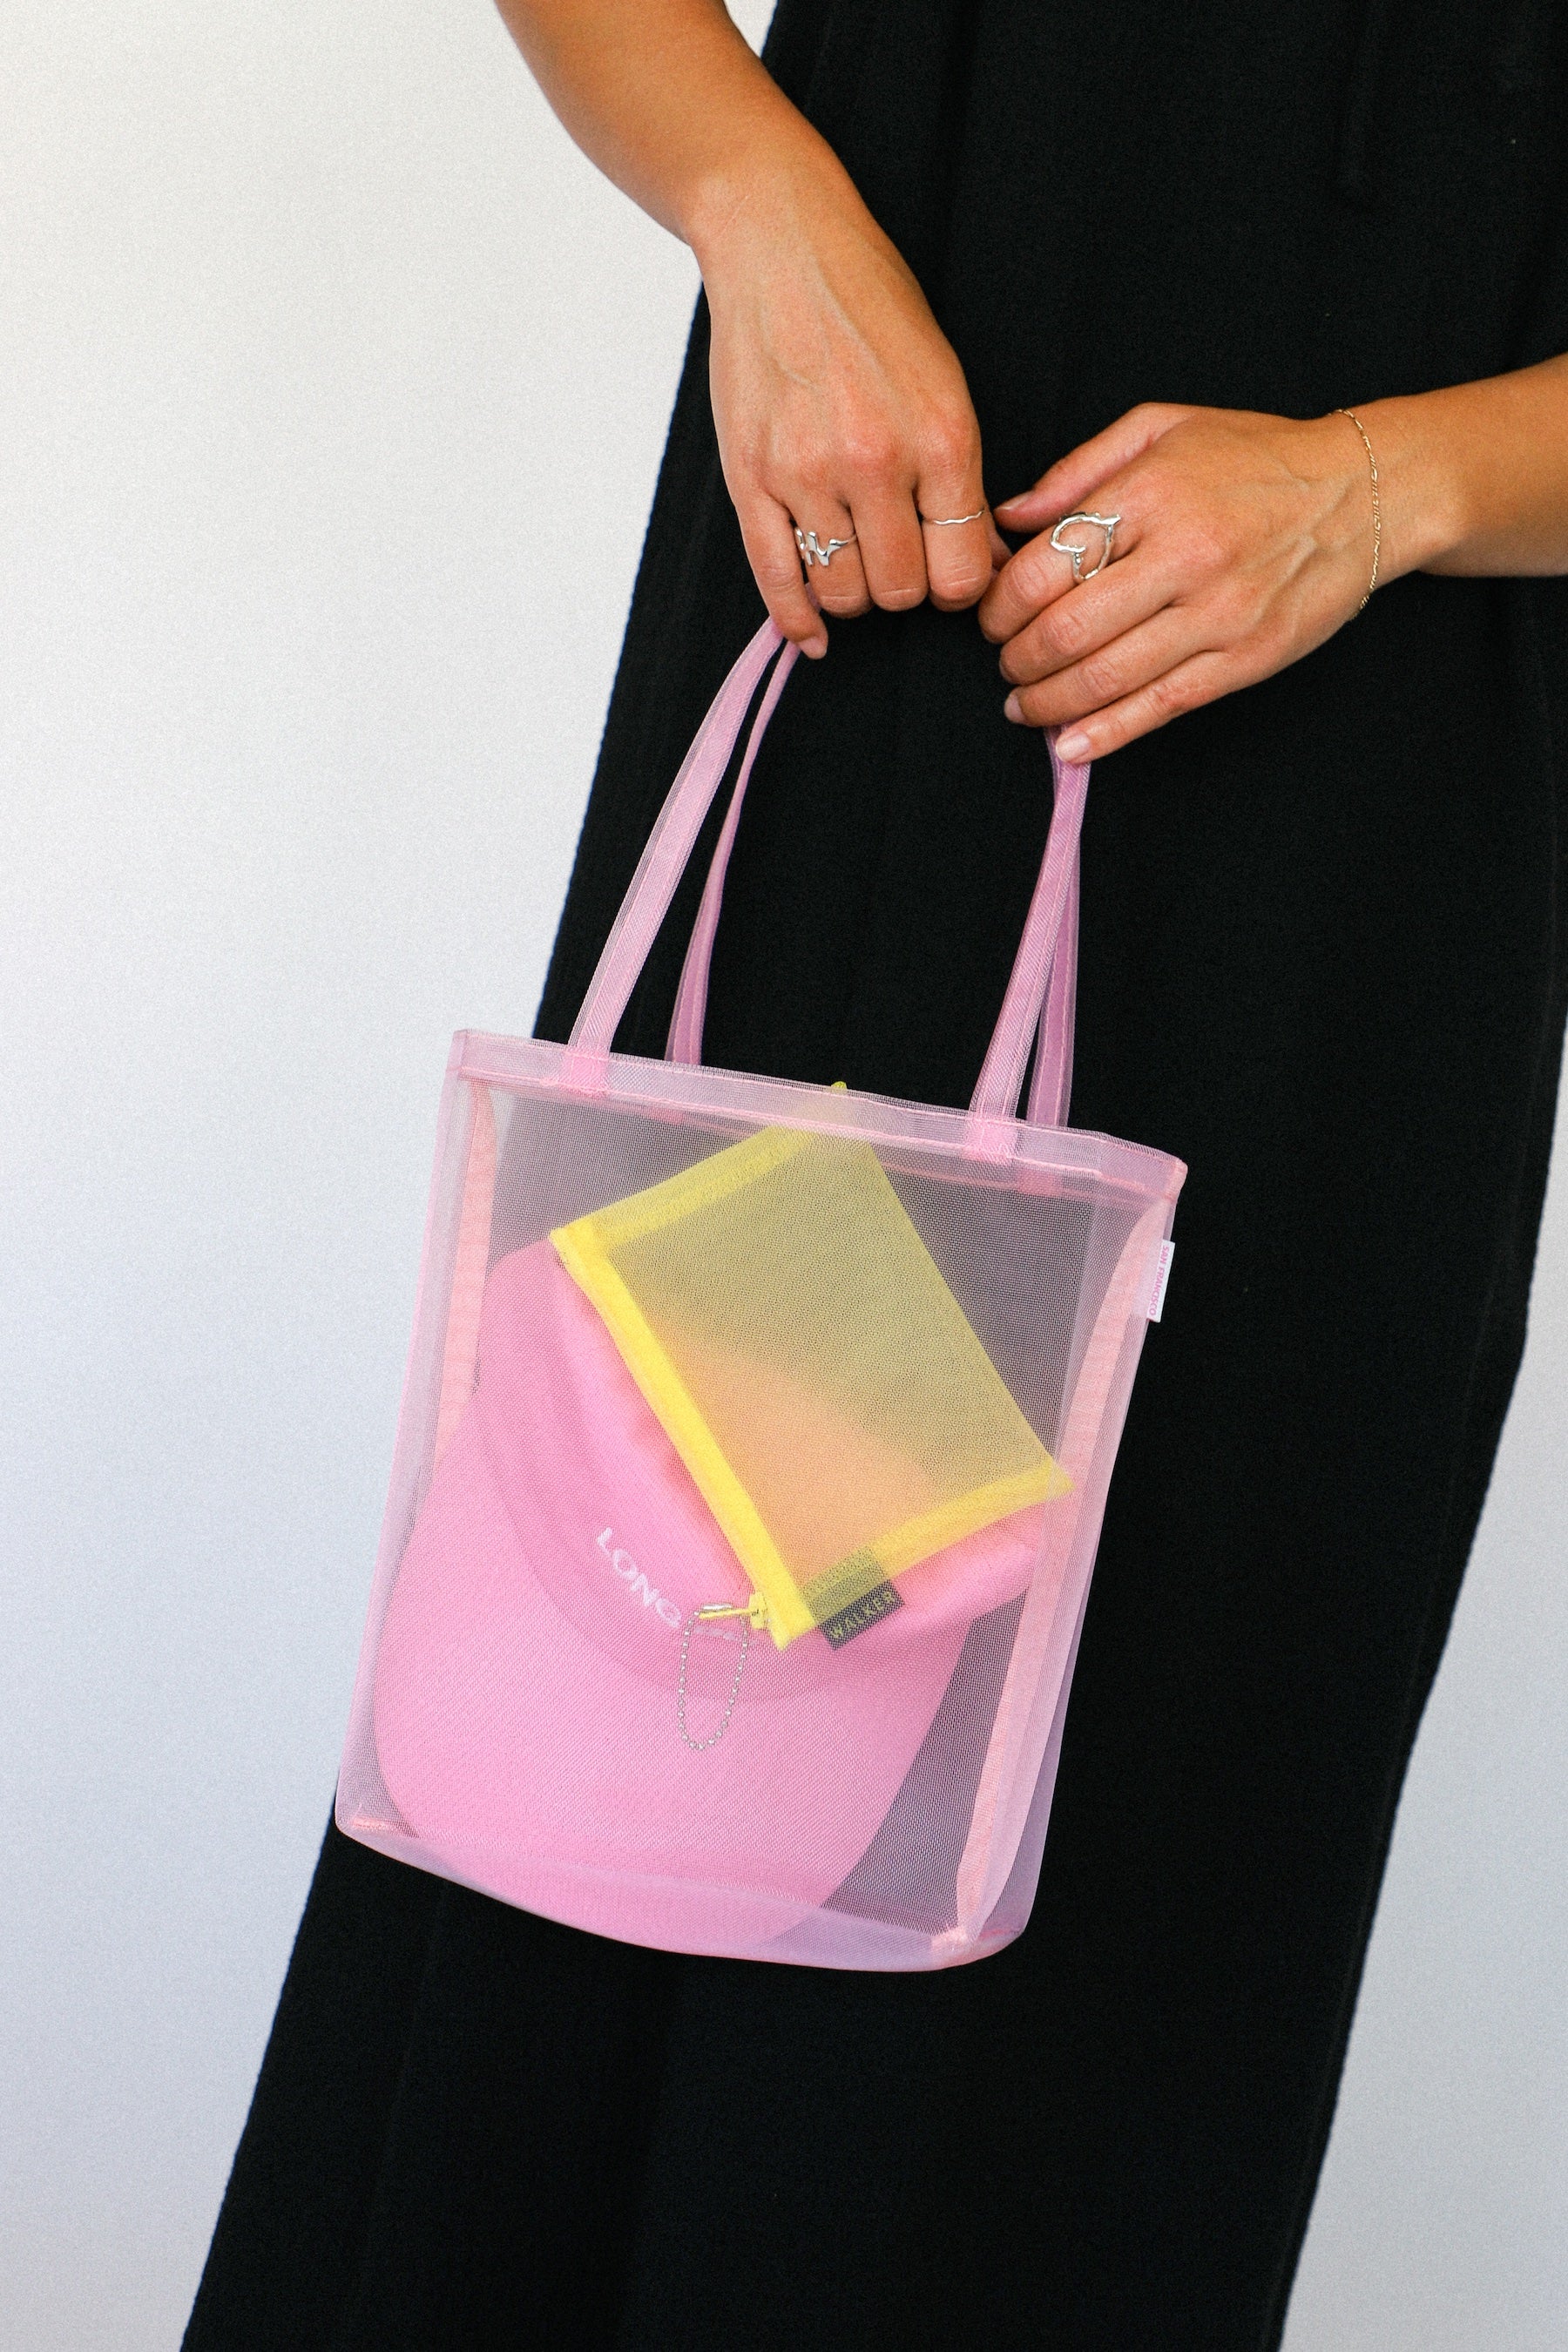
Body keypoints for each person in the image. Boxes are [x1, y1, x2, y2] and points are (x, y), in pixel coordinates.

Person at [186, 5, 1568, 2346]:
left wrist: (1385, 486)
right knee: (646, 1686)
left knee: (1134, 1806)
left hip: (1370, 797)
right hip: (881, 562)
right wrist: (760, 206)